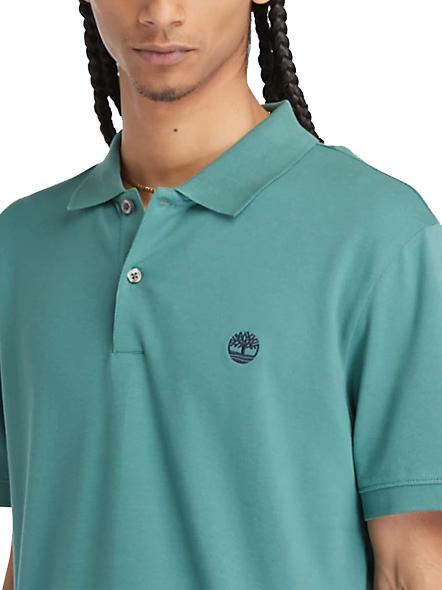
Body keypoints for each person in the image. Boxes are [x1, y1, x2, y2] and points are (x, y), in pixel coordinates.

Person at [1, 1, 442, 589]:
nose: (160, 11)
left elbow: (414, 561)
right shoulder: (20, 246)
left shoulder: (379, 234)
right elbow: (39, 529)